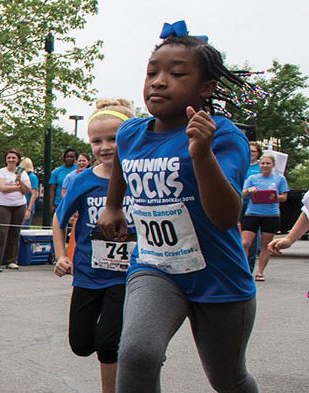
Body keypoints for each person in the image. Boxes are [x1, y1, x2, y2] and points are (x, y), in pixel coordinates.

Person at [97, 22, 258, 392]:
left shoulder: (222, 135)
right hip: (155, 266)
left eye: (176, 73)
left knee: (228, 379)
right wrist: (113, 205)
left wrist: (201, 155)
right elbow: (123, 160)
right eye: (152, 72)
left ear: (206, 88)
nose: (158, 81)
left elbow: (225, 216)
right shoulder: (130, 132)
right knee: (137, 354)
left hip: (218, 275)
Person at [53, 99, 135, 393]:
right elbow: (58, 219)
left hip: (128, 275)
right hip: (89, 273)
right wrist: (61, 256)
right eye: (97, 141)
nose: (105, 146)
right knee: (81, 344)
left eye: (113, 139)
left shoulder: (139, 176)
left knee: (107, 344)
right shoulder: (83, 181)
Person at [241, 153, 288, 282]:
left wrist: (275, 197)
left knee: (265, 245)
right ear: (259, 164)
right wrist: (249, 191)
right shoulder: (252, 178)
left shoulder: (279, 179)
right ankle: (244, 270)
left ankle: (260, 272)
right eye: (263, 163)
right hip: (252, 213)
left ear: (273, 165)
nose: (265, 166)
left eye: (268, 163)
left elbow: (284, 197)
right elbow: (242, 194)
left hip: (271, 214)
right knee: (245, 243)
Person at [0, 148, 31, 269]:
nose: (11, 160)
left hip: (19, 205)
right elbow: (2, 188)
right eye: (9, 157)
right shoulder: (0, 172)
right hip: (3, 205)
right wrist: (17, 187)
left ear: (18, 160)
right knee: (2, 233)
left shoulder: (22, 173)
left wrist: (20, 182)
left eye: (13, 158)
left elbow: (27, 190)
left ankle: (12, 260)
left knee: (15, 233)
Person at [243, 142, 263, 273]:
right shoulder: (241, 164)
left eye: (253, 152)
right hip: (238, 202)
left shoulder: (261, 168)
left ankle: (249, 268)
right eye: (249, 151)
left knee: (251, 239)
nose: (251, 154)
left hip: (254, 205)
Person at [48, 148, 78, 215]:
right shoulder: (57, 171)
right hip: (59, 203)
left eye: (72, 157)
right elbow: (52, 189)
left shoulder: (80, 170)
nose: (69, 158)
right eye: (67, 157)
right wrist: (51, 205)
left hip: (75, 204)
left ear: (76, 158)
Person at [20, 157, 40, 228]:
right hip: (20, 204)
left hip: (28, 205)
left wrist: (29, 209)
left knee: (24, 229)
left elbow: (34, 194)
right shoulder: (20, 176)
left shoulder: (32, 177)